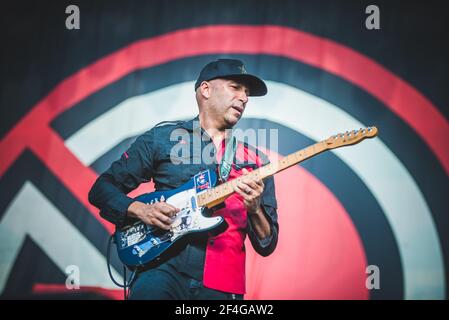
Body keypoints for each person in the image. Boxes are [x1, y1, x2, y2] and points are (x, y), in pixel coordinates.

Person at [88, 58, 279, 300]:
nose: (244, 98)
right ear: (206, 90)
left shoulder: (257, 161)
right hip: (161, 269)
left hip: (223, 282)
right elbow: (101, 189)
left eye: (247, 93)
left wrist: (254, 209)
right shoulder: (163, 138)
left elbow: (267, 243)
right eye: (235, 87)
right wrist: (139, 210)